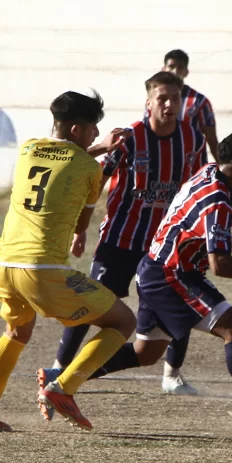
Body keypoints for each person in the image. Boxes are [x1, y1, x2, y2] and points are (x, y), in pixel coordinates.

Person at [42, 132, 232, 438]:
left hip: (155, 268)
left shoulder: (210, 171)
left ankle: (60, 378)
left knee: (145, 353)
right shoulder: (217, 202)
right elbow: (221, 265)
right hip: (171, 275)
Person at [39, 72, 207, 419]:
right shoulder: (130, 138)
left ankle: (171, 375)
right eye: (162, 97)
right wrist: (80, 227)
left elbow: (197, 186)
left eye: (175, 98)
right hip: (119, 239)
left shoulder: (192, 139)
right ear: (148, 103)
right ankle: (58, 369)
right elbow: (95, 176)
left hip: (164, 246)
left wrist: (197, 234)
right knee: (87, 307)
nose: (169, 104)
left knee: (177, 303)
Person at [0, 90, 136, 431]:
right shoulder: (90, 168)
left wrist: (99, 147)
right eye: (93, 129)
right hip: (42, 269)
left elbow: (61, 161)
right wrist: (103, 153)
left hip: (5, 264)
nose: (95, 134)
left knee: (17, 331)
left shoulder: (28, 148)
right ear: (77, 130)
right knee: (123, 322)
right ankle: (63, 387)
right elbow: (80, 225)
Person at [161, 49, 219, 161]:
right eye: (171, 66)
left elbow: (212, 139)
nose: (175, 71)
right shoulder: (155, 100)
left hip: (192, 164)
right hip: (162, 160)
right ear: (164, 69)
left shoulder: (199, 102)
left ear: (186, 72)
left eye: (180, 67)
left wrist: (224, 169)